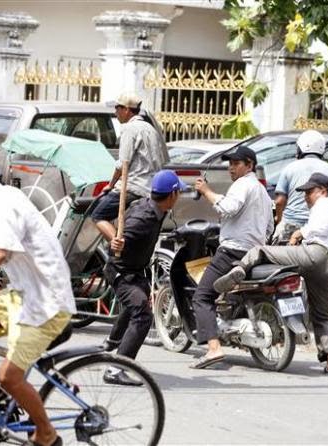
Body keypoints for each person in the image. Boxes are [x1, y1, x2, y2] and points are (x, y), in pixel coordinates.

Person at [214, 173, 328, 375]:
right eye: (305, 193)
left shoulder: (325, 204)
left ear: (323, 191)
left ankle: (238, 269)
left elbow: (319, 228)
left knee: (261, 251)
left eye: (310, 192)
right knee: (322, 315)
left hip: (316, 255)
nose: (306, 197)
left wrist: (299, 233)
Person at [0, 165, 76, 446]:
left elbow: (0, 253)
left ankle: (46, 432)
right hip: (22, 297)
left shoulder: (3, 203)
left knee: (9, 376)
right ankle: (2, 400)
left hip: (47, 306)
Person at [190, 146, 273, 369]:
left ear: (249, 165)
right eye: (230, 164)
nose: (231, 168)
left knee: (202, 296)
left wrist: (206, 191)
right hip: (255, 253)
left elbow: (228, 208)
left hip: (232, 251)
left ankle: (213, 348)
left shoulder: (242, 184)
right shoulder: (262, 191)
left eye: (236, 164)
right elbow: (269, 227)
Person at [101, 170, 185, 386]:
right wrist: (115, 241)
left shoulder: (155, 207)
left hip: (135, 271)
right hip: (120, 272)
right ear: (172, 194)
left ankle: (112, 343)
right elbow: (102, 222)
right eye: (179, 192)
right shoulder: (142, 218)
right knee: (142, 314)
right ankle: (115, 368)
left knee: (137, 302)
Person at [273, 130, 328, 331]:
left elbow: (279, 201)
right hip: (321, 227)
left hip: (293, 225)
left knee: (277, 267)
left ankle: (277, 316)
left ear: (300, 149)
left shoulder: (290, 168)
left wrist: (279, 218)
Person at [91, 92, 169, 242]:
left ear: (126, 109)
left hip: (134, 187)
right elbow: (164, 159)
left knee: (98, 214)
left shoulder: (129, 129)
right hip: (151, 189)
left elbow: (122, 164)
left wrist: (110, 185)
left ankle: (120, 245)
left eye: (117, 108)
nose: (116, 112)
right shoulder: (151, 129)